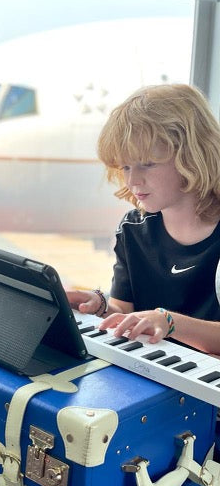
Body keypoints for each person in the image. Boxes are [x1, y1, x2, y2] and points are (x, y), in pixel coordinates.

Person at [67, 83, 220, 356]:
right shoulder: (133, 229)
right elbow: (125, 312)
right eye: (125, 166)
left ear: (193, 154)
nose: (132, 180)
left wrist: (168, 321)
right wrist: (100, 306)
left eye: (147, 163)